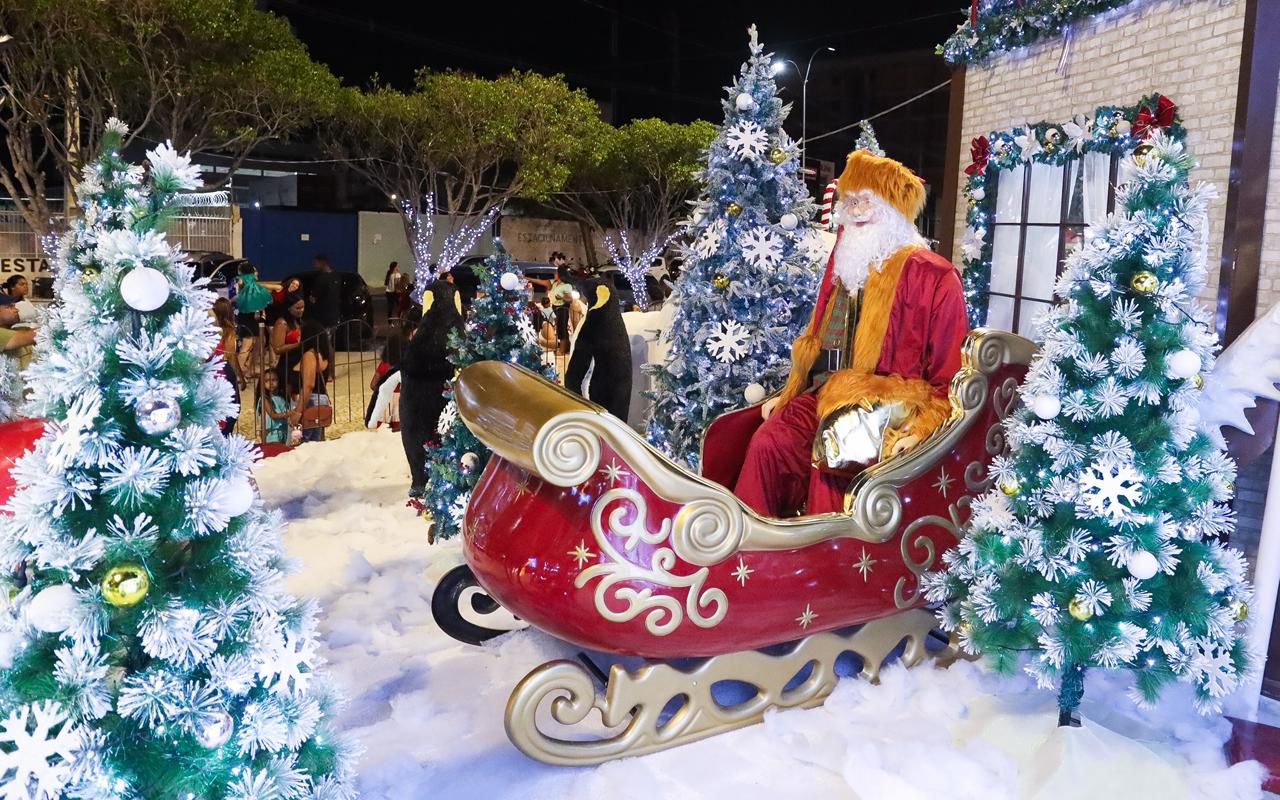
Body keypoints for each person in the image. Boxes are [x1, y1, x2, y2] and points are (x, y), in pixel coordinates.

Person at [733, 149, 969, 518]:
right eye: (849, 200)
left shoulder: (934, 275)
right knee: (770, 443)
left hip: (887, 411)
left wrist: (922, 428)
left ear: (892, 209)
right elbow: (822, 346)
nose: (855, 210)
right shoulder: (843, 263)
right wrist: (789, 394)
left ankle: (822, 563)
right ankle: (752, 546)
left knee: (832, 457)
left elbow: (949, 377)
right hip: (824, 394)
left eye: (865, 201)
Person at [287, 320, 332, 443]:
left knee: (306, 442)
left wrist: (298, 411)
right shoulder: (323, 354)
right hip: (319, 400)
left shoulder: (309, 355)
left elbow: (308, 385)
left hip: (309, 401)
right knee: (315, 441)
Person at [211, 298, 245, 436]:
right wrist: (240, 376)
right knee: (234, 405)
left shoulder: (211, 330)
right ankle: (226, 435)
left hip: (212, 369)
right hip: (224, 369)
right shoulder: (229, 331)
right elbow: (230, 356)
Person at [233, 263, 271, 379]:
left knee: (261, 341)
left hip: (254, 316)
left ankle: (250, 369)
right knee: (247, 344)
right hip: (247, 316)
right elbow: (239, 294)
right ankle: (237, 374)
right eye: (255, 271)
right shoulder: (241, 281)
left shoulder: (254, 284)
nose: (257, 273)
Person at [270, 293, 306, 399]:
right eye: (298, 308)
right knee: (289, 397)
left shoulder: (298, 321)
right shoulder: (282, 323)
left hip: (300, 362)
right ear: (289, 308)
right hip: (287, 365)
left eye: (303, 307)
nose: (301, 310)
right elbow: (277, 348)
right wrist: (298, 344)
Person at [256, 369, 291, 445]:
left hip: (283, 430)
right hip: (272, 432)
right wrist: (288, 414)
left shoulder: (281, 398)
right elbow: (273, 415)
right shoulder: (264, 398)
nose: (271, 383)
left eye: (274, 380)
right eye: (267, 381)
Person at [309, 254, 342, 329]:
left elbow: (313, 298)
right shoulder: (337, 276)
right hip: (335, 315)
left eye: (316, 263)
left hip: (322, 316)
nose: (314, 266)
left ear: (322, 263)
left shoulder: (321, 279)